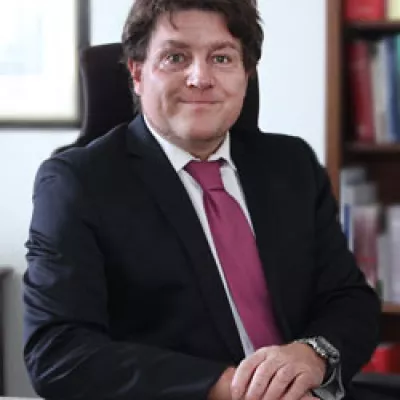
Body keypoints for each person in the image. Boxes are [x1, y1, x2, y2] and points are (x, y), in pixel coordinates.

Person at [23, 0, 381, 399]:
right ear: (137, 72)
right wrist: (234, 388)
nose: (200, 78)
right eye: (175, 57)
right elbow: (58, 352)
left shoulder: (291, 165)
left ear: (246, 74)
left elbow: (350, 300)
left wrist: (312, 356)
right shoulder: (79, 183)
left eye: (222, 58)